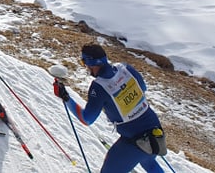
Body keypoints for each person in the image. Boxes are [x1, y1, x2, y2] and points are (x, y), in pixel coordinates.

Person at [53, 43, 166, 173]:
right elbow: (143, 88)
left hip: (134, 141)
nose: (86, 68)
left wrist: (66, 98)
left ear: (90, 62)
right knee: (149, 162)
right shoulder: (125, 68)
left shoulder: (99, 86)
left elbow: (87, 119)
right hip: (154, 128)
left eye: (84, 62)